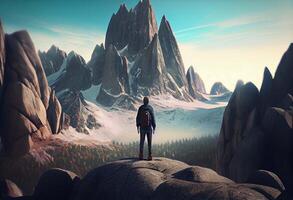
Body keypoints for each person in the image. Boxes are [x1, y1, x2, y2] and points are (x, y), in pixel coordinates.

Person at [136, 96, 156, 161]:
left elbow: (138, 117)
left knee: (142, 141)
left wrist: (138, 126)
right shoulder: (150, 108)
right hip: (149, 128)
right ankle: (150, 155)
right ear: (148, 101)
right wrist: (154, 126)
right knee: (149, 142)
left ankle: (141, 155)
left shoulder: (140, 108)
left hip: (142, 128)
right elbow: (153, 117)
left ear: (143, 101)